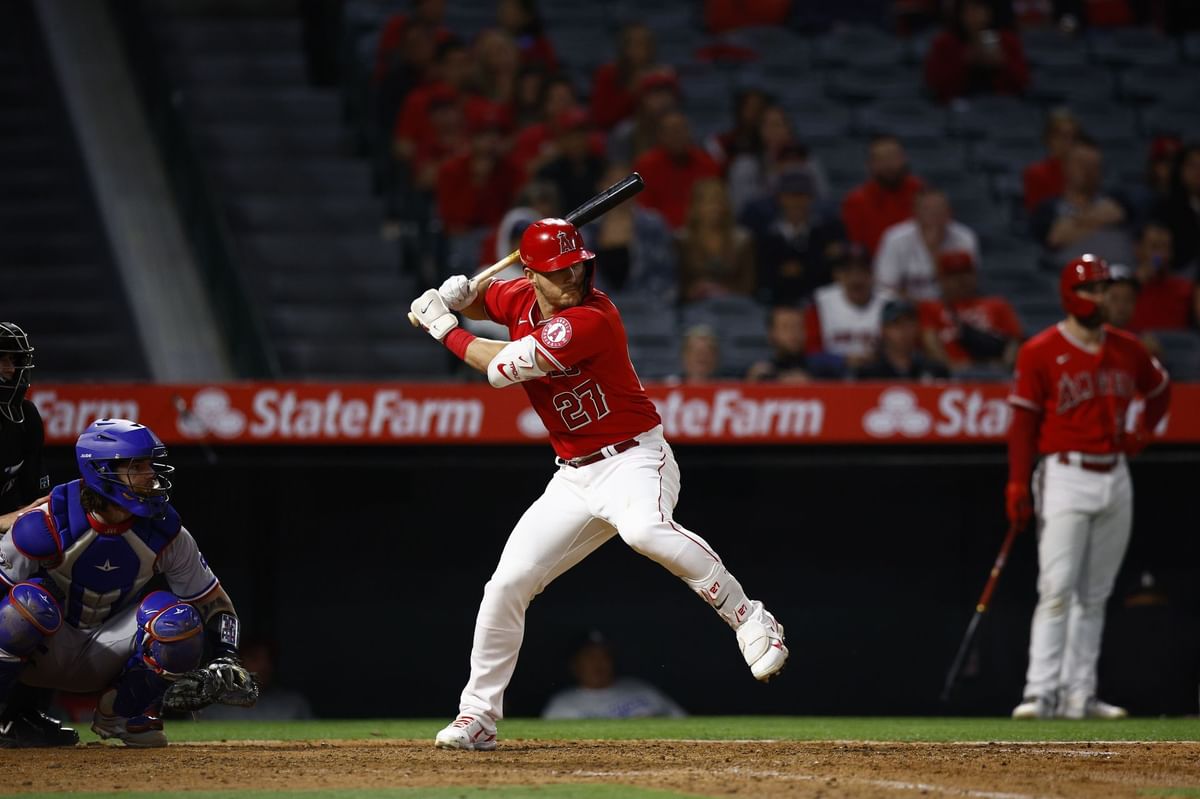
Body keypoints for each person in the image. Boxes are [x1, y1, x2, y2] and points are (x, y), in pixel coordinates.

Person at [409, 218, 789, 750]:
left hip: (635, 459)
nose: (573, 279)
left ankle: (749, 616)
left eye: (578, 268)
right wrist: (466, 295)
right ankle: (477, 717)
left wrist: (441, 326)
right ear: (533, 274)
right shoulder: (518, 293)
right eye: (560, 272)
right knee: (506, 585)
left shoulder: (591, 317)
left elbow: (497, 368)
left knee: (644, 532)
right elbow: (487, 301)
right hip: (574, 474)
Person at [0, 419, 256, 746]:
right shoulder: (48, 521)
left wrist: (226, 655)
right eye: (138, 466)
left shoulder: (165, 530)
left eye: (152, 464)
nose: (152, 475)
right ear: (101, 472)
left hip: (108, 655)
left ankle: (122, 713)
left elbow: (214, 602)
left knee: (179, 623)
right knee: (27, 606)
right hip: (42, 649)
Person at [1006, 254, 1171, 720]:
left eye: (1102, 290)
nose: (1098, 298)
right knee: (1057, 587)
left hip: (1115, 474)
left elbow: (1160, 390)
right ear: (1068, 295)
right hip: (1065, 473)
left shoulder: (1128, 348)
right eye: (1089, 290)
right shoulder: (1040, 351)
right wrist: (1018, 482)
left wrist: (1142, 433)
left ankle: (1081, 693)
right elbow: (1022, 424)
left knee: (1095, 594)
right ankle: (1040, 691)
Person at [747, 167, 845, 307]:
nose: (796, 202)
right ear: (780, 198)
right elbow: (764, 275)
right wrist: (818, 260)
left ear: (811, 198)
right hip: (779, 303)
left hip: (821, 302)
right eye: (790, 195)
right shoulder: (766, 235)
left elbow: (831, 272)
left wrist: (802, 268)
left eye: (802, 195)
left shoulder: (828, 231)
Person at [1031, 136, 1134, 269]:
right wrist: (1098, 219)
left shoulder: (1118, 200)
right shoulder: (1048, 209)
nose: (1087, 171)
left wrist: (1075, 224)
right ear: (1065, 166)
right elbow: (1055, 238)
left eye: (1093, 165)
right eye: (1081, 164)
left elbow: (1118, 214)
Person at [918, 251, 1023, 373]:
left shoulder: (998, 304)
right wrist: (951, 368)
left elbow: (1015, 341)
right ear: (942, 279)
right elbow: (930, 343)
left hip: (994, 373)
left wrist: (1002, 368)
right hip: (951, 375)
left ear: (974, 275)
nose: (961, 280)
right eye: (954, 275)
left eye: (965, 273)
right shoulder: (931, 307)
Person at [541, 631, 685, 719]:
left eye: (604, 656)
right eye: (590, 657)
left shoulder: (640, 688)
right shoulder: (562, 705)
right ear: (575, 664)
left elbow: (683, 722)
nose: (599, 663)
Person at [873, 188, 980, 301]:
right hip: (907, 311)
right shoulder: (895, 238)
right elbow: (884, 288)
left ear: (949, 211)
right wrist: (922, 307)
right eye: (927, 209)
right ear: (915, 212)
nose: (934, 214)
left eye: (939, 209)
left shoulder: (964, 237)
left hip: (951, 307)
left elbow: (969, 285)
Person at [804, 244, 892, 372]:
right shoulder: (821, 302)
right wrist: (843, 360)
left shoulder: (889, 303)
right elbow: (811, 355)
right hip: (834, 379)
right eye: (848, 271)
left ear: (872, 274)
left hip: (880, 375)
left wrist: (879, 357)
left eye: (862, 270)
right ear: (837, 275)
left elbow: (904, 354)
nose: (856, 278)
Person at [923, 0, 1029, 104]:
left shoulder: (1008, 41)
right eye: (967, 10)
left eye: (977, 9)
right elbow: (936, 86)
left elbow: (1023, 84)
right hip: (957, 107)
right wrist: (964, 61)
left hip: (1003, 105)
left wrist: (1003, 63)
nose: (972, 16)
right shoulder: (945, 43)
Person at [633, 111, 722, 231]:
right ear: (661, 136)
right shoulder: (645, 166)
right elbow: (644, 211)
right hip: (660, 235)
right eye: (671, 132)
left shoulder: (708, 164)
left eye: (681, 130)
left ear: (690, 132)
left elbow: (716, 205)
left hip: (700, 233)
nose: (677, 136)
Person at [0, 323, 48, 536]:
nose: (11, 369)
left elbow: (34, 492)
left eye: (13, 360)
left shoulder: (26, 414)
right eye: (2, 360)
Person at [841, 135, 925, 255]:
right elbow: (857, 249)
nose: (888, 165)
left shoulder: (921, 192)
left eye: (893, 157)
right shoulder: (855, 202)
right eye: (881, 159)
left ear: (904, 159)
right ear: (869, 164)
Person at [676, 178, 755, 304]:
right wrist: (693, 290)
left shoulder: (742, 241)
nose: (714, 208)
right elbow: (677, 285)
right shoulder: (682, 241)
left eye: (718, 202)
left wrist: (723, 291)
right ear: (695, 207)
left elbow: (749, 285)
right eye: (708, 203)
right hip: (693, 308)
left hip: (735, 306)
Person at [199, 639, 312, 722]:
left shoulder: (293, 704)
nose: (264, 666)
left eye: (269, 659)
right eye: (254, 658)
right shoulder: (211, 706)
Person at [1124, 222, 1197, 333]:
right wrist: (1136, 284)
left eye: (1165, 247)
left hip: (1175, 347)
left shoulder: (1186, 289)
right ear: (1138, 249)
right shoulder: (1122, 288)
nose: (1160, 255)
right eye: (1155, 247)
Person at [855, 299, 951, 381]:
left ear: (917, 328)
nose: (904, 330)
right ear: (883, 330)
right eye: (897, 324)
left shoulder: (935, 370)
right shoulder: (869, 373)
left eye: (910, 324)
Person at [1157, 143, 1200, 273]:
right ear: (1180, 170)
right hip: (1178, 275)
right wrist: (1157, 266)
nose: (1198, 171)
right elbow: (1157, 256)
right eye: (1193, 166)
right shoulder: (1165, 209)